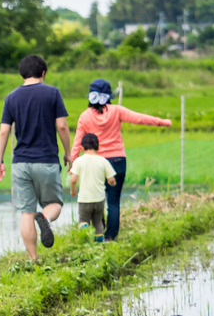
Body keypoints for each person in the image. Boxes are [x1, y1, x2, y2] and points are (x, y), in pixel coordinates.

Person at [71, 79, 171, 241]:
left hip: (94, 164)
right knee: (114, 201)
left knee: (97, 198)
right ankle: (110, 237)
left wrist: (73, 163)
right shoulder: (116, 110)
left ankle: (96, 234)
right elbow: (139, 118)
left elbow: (77, 143)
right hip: (118, 161)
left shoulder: (85, 116)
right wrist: (163, 122)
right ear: (109, 95)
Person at [0, 54, 71, 261]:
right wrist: (68, 153)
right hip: (46, 160)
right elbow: (62, 125)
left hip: (21, 162)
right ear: (43, 73)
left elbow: (4, 131)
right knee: (54, 203)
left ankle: (33, 259)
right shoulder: (52, 93)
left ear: (22, 74)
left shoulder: (12, 97)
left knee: (26, 212)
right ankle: (44, 217)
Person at [69, 133, 117, 242]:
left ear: (81, 148)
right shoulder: (103, 161)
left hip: (85, 199)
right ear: (98, 147)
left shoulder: (78, 161)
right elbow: (111, 180)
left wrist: (73, 190)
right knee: (98, 221)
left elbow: (73, 180)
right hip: (99, 199)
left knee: (83, 220)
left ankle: (84, 234)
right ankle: (98, 243)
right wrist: (112, 184)